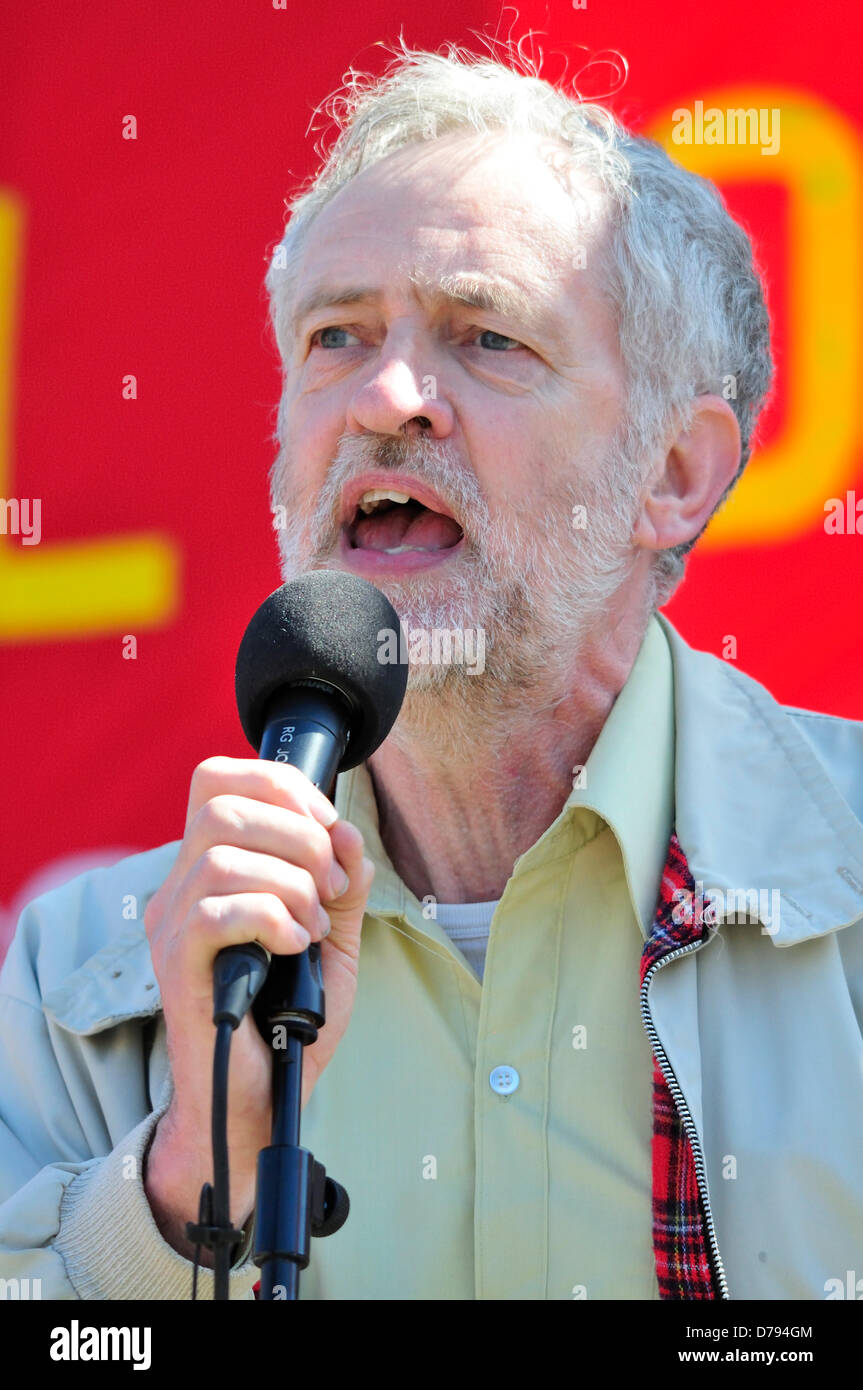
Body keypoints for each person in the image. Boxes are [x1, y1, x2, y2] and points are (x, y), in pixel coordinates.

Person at [2, 40, 862, 1302]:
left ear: (673, 472)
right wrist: (189, 1179)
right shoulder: (93, 971)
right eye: (335, 336)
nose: (387, 396)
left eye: (487, 337)